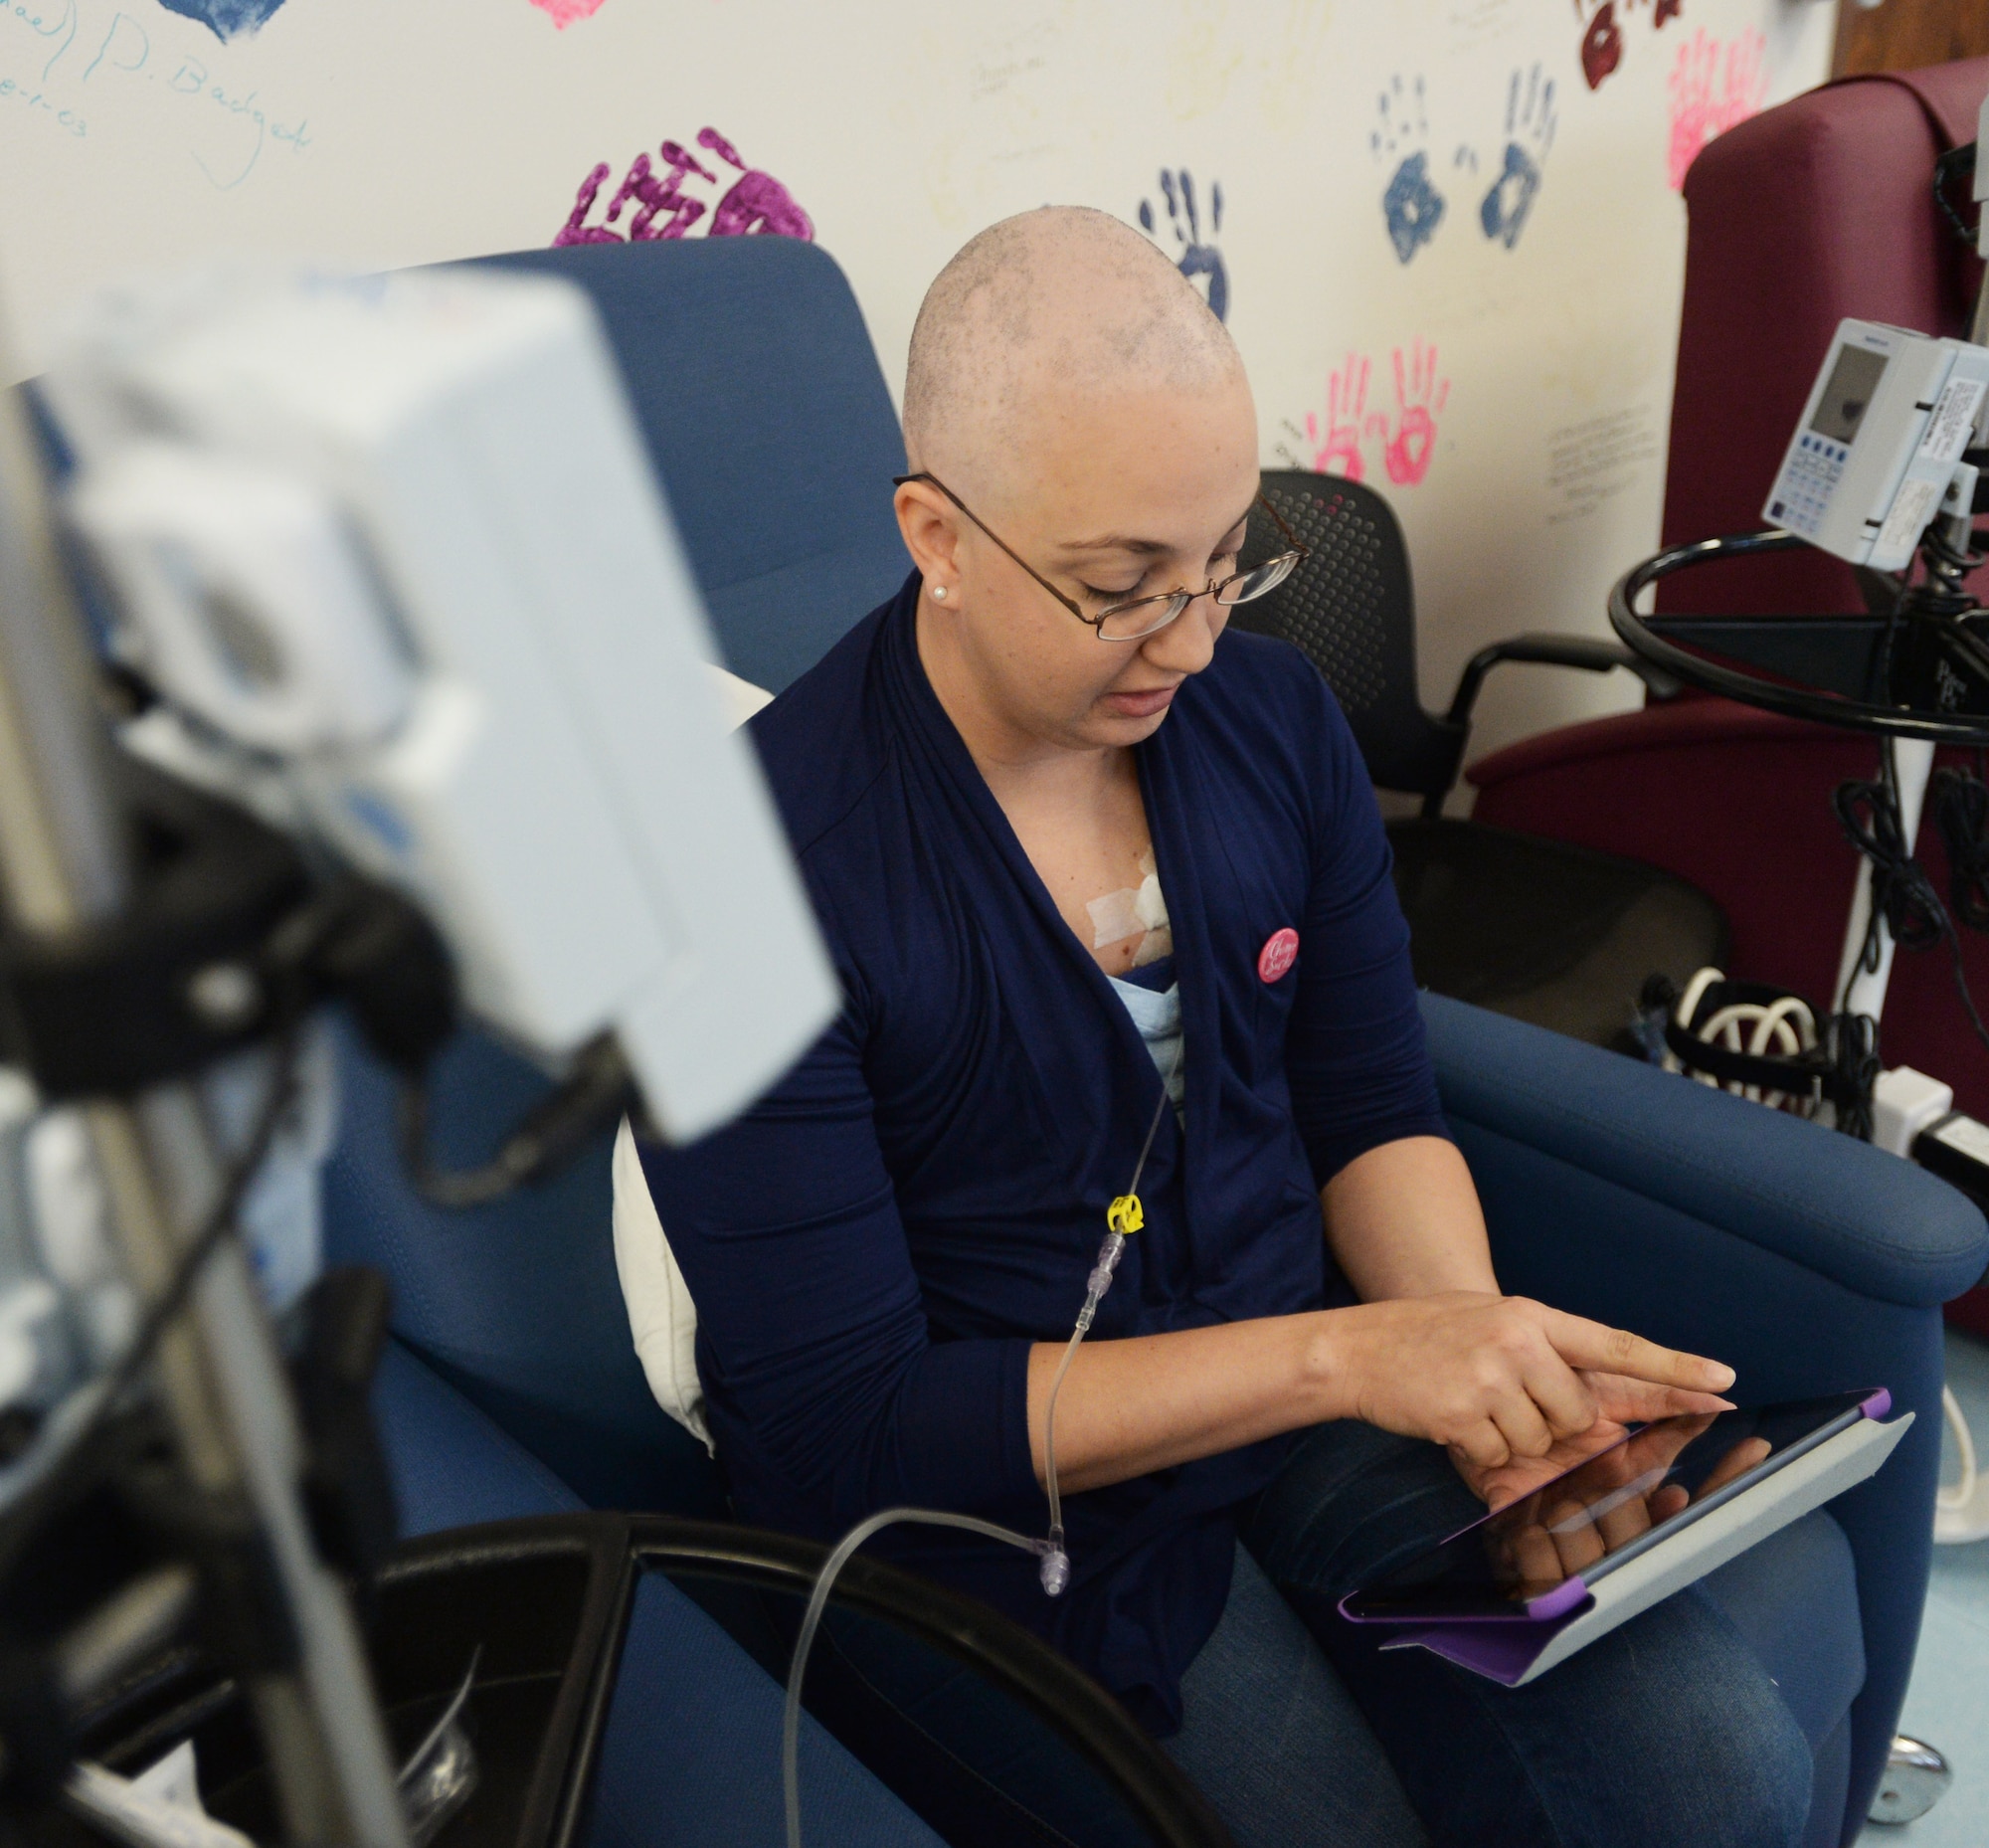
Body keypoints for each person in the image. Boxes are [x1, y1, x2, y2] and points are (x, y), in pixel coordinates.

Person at [637, 206, 1813, 1847]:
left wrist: (1490, 1392)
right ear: (940, 535)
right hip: (982, 1516)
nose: (1193, 640)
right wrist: (1351, 1351)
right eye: (1122, 588)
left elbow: (1371, 1103)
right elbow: (848, 1430)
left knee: (1715, 1773)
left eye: (1227, 562)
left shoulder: (1265, 723)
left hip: (1297, 1403)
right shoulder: (744, 888)